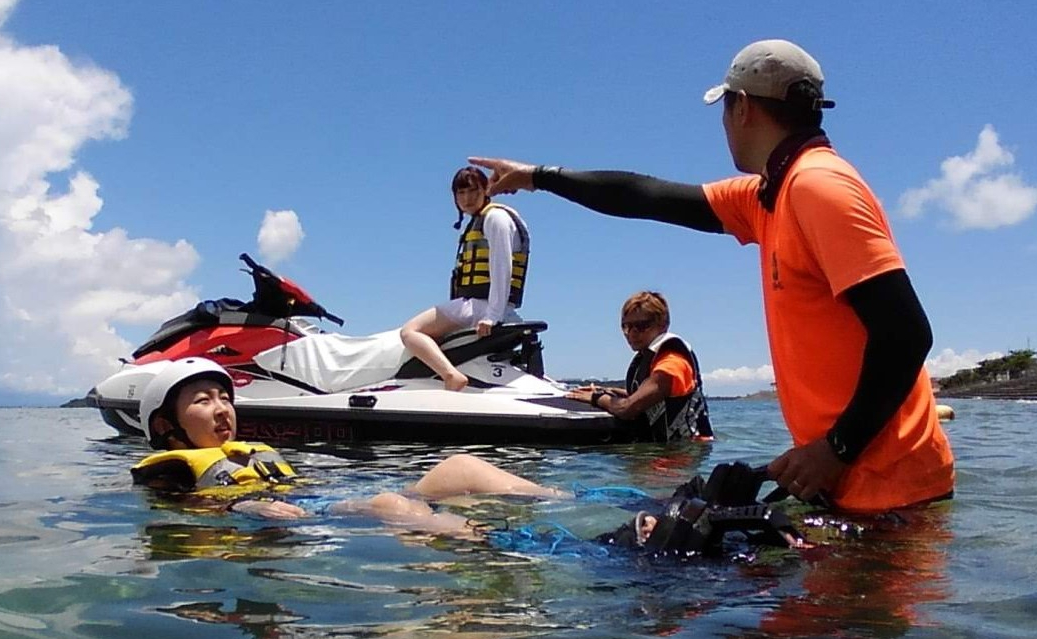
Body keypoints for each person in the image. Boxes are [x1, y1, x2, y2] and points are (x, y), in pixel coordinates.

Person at [470, 38, 955, 515]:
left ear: (741, 106)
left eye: (723, 109)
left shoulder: (819, 187)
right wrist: (538, 176)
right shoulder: (768, 197)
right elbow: (645, 196)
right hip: (847, 488)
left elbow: (907, 333)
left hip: (893, 495)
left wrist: (836, 449)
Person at [133, 358, 563, 531]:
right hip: (306, 517)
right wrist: (243, 508)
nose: (221, 408)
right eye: (203, 401)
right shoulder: (171, 469)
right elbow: (178, 509)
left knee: (460, 466)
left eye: (225, 398)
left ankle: (577, 503)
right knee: (391, 504)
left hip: (324, 500)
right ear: (167, 425)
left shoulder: (249, 453)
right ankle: (511, 548)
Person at [400, 166, 531, 391]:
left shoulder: (495, 218)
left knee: (410, 331)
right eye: (461, 193)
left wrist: (492, 315)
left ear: (486, 190)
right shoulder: (481, 220)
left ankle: (451, 376)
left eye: (473, 191)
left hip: (481, 307)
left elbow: (502, 266)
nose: (467, 198)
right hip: (484, 306)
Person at [567, 290, 713, 442]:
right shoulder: (651, 357)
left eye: (641, 326)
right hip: (666, 450)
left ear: (663, 326)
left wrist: (596, 398)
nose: (632, 333)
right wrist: (607, 390)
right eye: (626, 326)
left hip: (684, 453)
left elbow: (626, 409)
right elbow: (645, 396)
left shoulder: (672, 364)